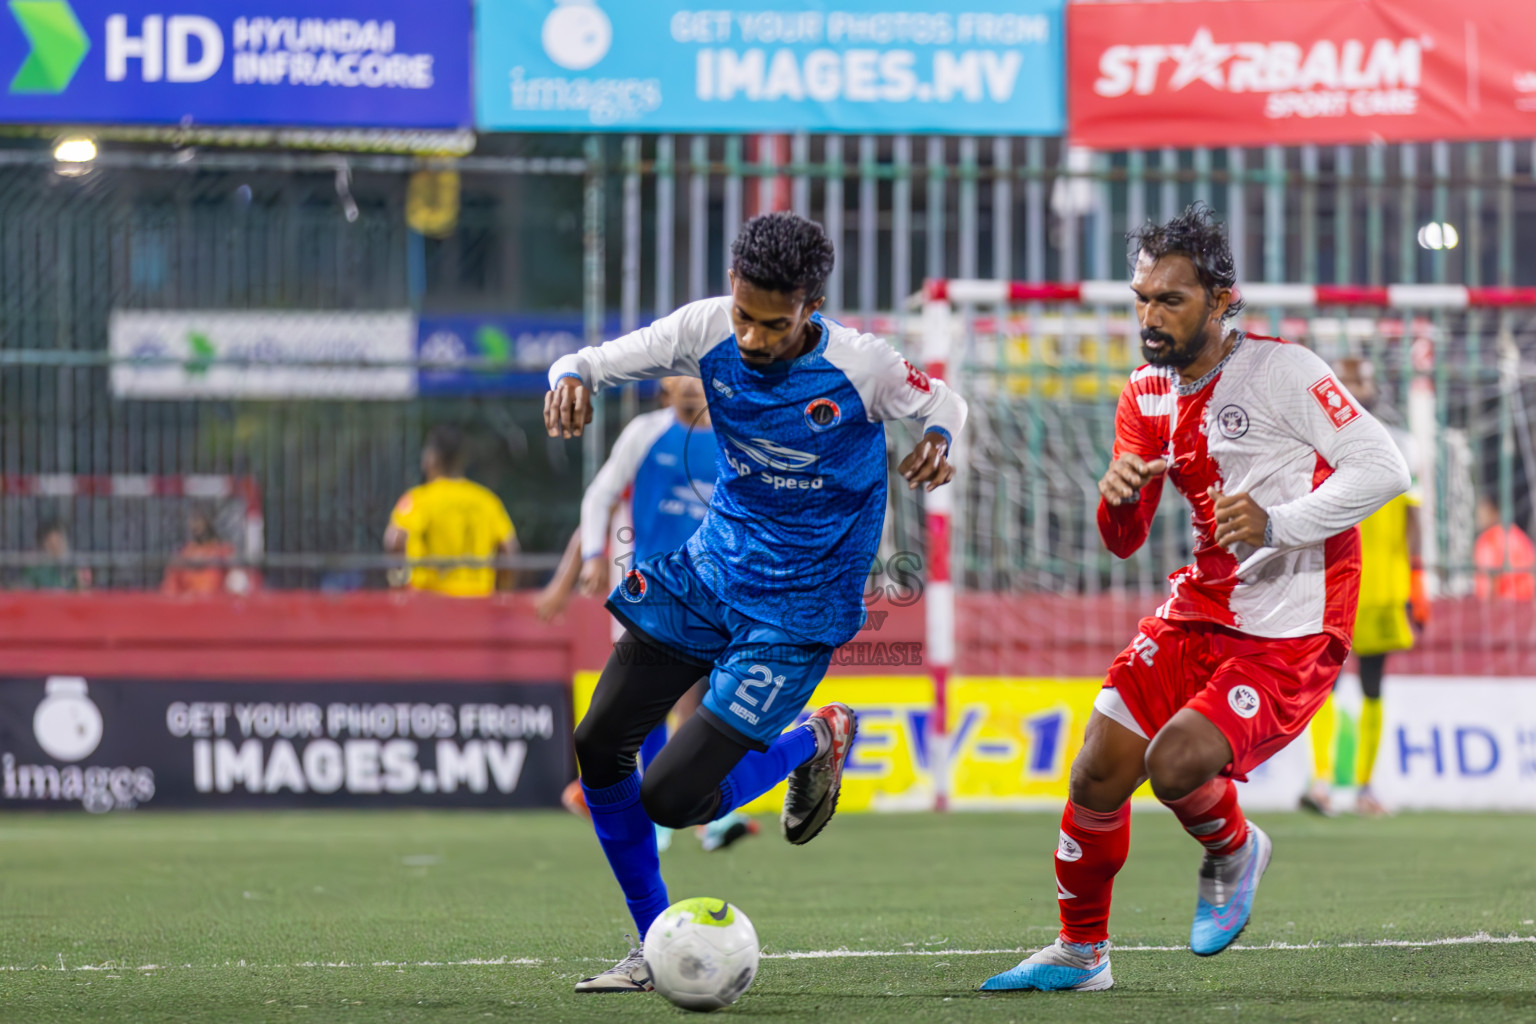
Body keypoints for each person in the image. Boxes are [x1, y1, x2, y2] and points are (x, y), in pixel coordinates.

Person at [980, 204, 1409, 993]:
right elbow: (1124, 538)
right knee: (1096, 775)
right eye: (1140, 297)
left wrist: (1279, 522)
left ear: (1221, 300)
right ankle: (1081, 956)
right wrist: (1115, 498)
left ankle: (1235, 848)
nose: (1148, 316)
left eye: (1169, 300)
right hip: (1200, 607)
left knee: (1176, 764)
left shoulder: (1285, 372)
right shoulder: (1144, 392)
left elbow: (1385, 469)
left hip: (1291, 625)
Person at [545, 211, 965, 993]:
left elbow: (944, 403)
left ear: (809, 308)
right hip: (711, 572)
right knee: (600, 744)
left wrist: (939, 436)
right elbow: (594, 360)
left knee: (674, 798)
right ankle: (653, 946)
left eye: (772, 324)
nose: (750, 337)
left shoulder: (863, 365)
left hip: (798, 609)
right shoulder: (706, 328)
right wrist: (566, 377)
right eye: (742, 314)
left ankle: (817, 737)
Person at [538, 376, 756, 853]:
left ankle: (705, 811)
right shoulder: (645, 433)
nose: (691, 384)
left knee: (714, 698)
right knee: (650, 697)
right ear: (664, 386)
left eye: (701, 375)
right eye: (680, 374)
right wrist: (595, 556)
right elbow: (599, 495)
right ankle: (662, 818)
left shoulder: (735, 433)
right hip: (650, 589)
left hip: (720, 589)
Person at [1301, 358, 1427, 818]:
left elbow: (1413, 516)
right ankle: (1321, 783)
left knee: (1373, 685)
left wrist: (1415, 577)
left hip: (1382, 584)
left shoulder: (1402, 443)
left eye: (1361, 379)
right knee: (1324, 684)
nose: (1355, 387)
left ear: (1372, 389)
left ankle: (1366, 786)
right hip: (1333, 581)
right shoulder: (1319, 443)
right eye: (1347, 380)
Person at [384, 425, 517, 597]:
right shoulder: (487, 501)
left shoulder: (418, 499)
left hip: (429, 603)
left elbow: (394, 541)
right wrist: (502, 593)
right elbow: (509, 550)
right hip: (478, 603)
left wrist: (398, 586)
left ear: (433, 458)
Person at [162, 508, 247, 595]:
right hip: (189, 605)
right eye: (193, 519)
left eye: (199, 519)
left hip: (217, 604)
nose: (195, 524)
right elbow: (169, 591)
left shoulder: (224, 551)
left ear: (210, 521)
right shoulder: (182, 555)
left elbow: (238, 586)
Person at [1473, 495, 1535, 601]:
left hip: (1503, 605)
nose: (1479, 517)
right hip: (1526, 605)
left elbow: (1488, 586)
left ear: (1495, 512)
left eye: (1483, 512)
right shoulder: (1518, 535)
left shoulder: (1488, 540)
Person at [18, 521, 91, 591]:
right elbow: (23, 590)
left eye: (59, 541)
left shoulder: (77, 565)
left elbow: (87, 592)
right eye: (51, 543)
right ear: (44, 544)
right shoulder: (35, 567)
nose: (56, 547)